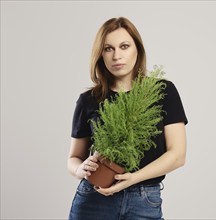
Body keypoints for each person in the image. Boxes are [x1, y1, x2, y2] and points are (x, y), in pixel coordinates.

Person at [67, 17, 188, 220]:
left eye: (124, 46)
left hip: (144, 201)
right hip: (93, 199)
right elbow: (73, 158)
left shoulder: (162, 92)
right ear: (100, 55)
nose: (117, 56)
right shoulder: (89, 100)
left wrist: (133, 178)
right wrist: (79, 169)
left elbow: (177, 155)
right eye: (108, 49)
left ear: (137, 50)